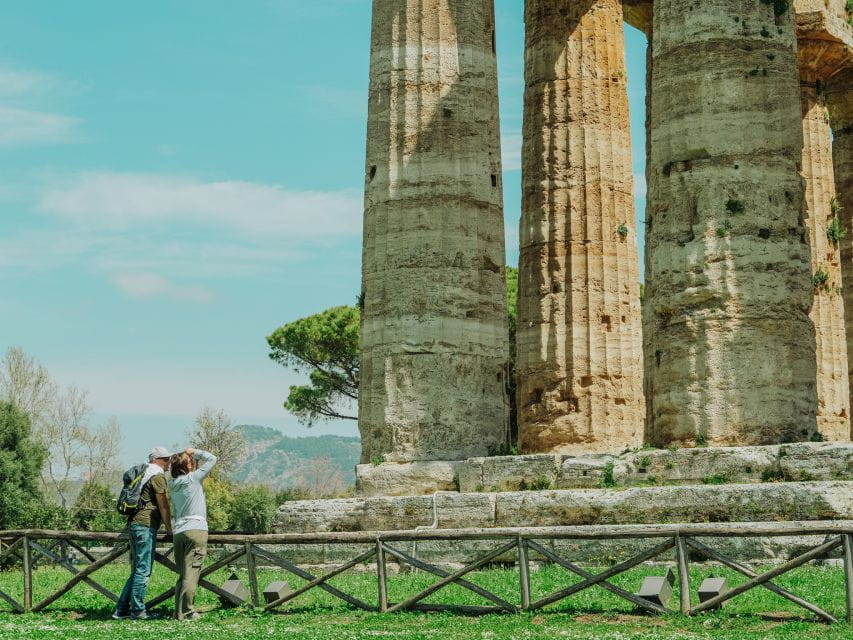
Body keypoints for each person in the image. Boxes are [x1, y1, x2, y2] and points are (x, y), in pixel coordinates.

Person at [113, 446, 173, 621]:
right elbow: (163, 505)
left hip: (134, 524)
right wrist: (169, 529)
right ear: (156, 460)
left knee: (137, 570)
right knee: (143, 571)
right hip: (145, 526)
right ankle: (138, 611)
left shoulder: (144, 473)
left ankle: (121, 610)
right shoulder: (157, 476)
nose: (169, 463)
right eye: (166, 459)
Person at [168, 447, 217, 621]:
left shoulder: (172, 484)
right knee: (192, 574)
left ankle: (178, 612)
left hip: (179, 531)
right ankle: (188, 612)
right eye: (190, 461)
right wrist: (194, 451)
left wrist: (187, 458)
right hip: (196, 529)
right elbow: (212, 459)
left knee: (183, 574)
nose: (193, 462)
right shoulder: (193, 478)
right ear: (187, 466)